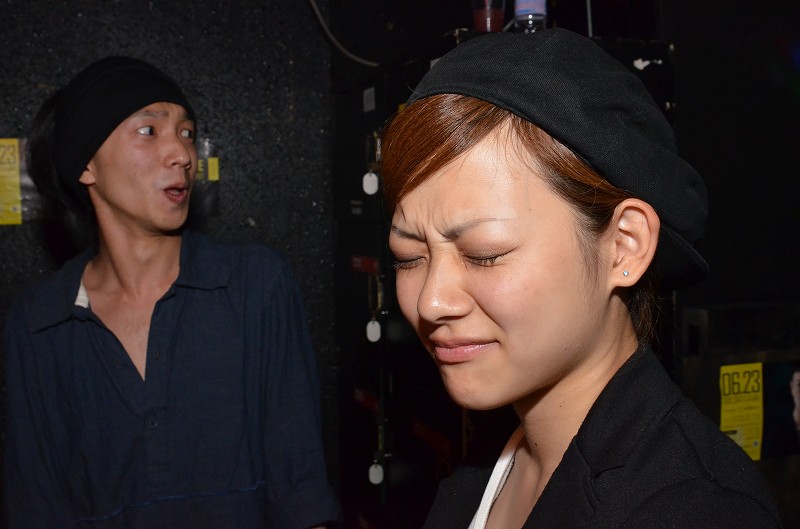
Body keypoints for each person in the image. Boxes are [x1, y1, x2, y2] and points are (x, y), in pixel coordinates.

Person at [380, 29, 783, 528]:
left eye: (484, 255)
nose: (431, 301)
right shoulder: (492, 459)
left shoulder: (694, 511)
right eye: (409, 257)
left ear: (623, 245)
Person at [3, 56, 339, 528]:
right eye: (149, 130)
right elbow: (35, 506)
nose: (181, 153)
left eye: (186, 132)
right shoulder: (40, 321)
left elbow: (301, 489)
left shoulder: (255, 284)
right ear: (87, 164)